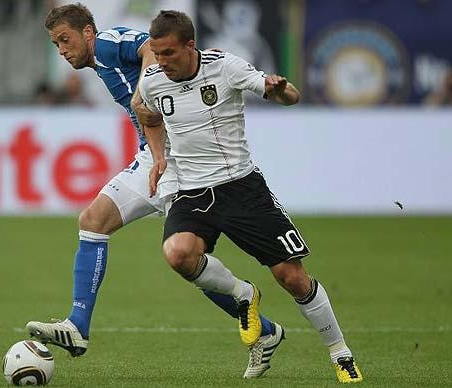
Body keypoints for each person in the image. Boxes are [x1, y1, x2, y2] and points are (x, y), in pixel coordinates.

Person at [26, 4, 283, 379]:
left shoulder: (110, 43)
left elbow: (149, 46)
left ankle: (255, 312)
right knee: (93, 220)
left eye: (65, 40)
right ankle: (78, 327)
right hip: (153, 158)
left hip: (184, 161)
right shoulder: (100, 64)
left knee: (183, 256)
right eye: (55, 44)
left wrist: (143, 93)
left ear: (87, 34)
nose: (62, 50)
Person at [136, 10, 363, 383]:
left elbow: (289, 96)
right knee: (178, 254)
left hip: (242, 188)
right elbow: (149, 115)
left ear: (191, 45)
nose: (162, 62)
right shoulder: (153, 81)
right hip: (193, 192)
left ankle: (340, 353)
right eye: (157, 54)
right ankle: (244, 295)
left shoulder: (225, 66)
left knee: (292, 277)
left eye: (169, 54)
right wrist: (159, 157)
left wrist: (280, 88)